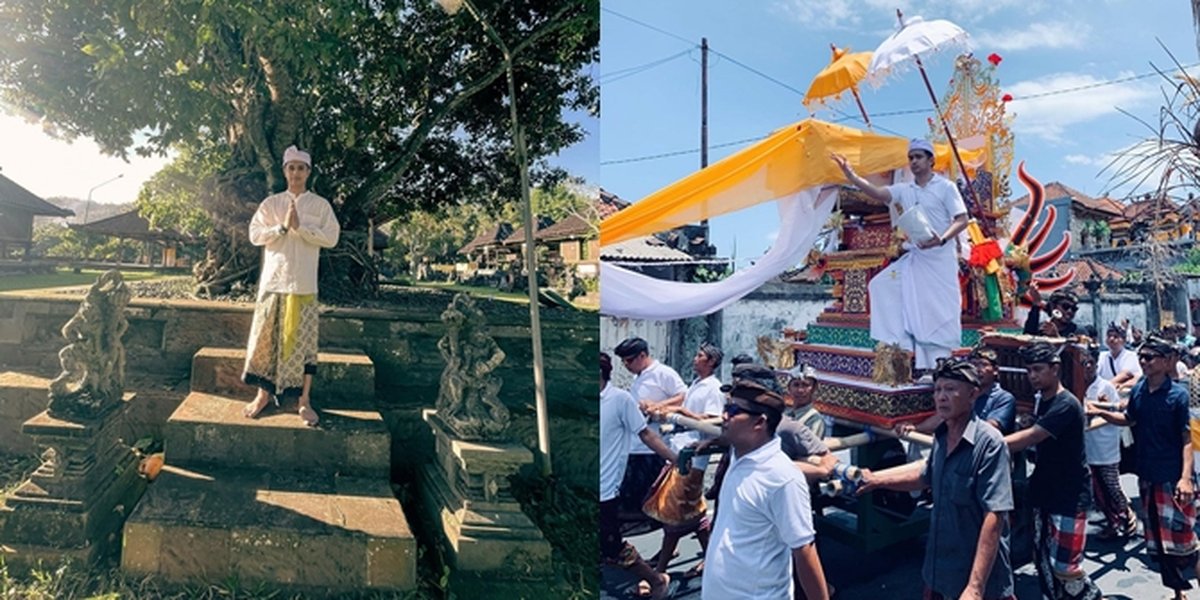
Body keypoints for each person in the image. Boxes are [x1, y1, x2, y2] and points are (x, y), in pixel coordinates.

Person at [859, 358, 1015, 600]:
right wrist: (877, 481)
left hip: (977, 576)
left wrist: (975, 586)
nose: (941, 397)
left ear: (973, 394)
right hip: (939, 569)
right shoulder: (942, 436)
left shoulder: (990, 444)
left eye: (951, 389)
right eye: (938, 390)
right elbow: (926, 476)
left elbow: (994, 516)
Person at [831, 139, 969, 372]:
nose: (914, 162)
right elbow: (877, 193)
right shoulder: (905, 189)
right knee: (880, 286)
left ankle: (936, 367)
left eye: (919, 157)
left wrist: (942, 239)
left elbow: (962, 219)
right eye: (911, 158)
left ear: (931, 160)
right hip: (916, 258)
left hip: (941, 260)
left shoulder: (946, 187)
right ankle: (900, 345)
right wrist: (852, 176)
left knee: (936, 311)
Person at [702, 367, 829, 600]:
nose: (723, 416)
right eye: (725, 408)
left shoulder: (782, 477)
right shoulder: (739, 454)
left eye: (732, 410)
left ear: (759, 423)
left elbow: (805, 552)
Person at [1089, 335, 1200, 600]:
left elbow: (1186, 440)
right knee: (1162, 545)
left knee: (1186, 543)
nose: (1144, 362)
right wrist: (1101, 412)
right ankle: (1178, 595)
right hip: (1148, 477)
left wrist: (1185, 479)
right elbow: (1128, 419)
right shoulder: (1139, 391)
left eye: (1149, 357)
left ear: (1165, 361)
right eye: (1141, 356)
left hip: (1173, 478)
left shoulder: (1178, 396)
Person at [241, 145, 340, 427]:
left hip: (304, 285)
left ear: (308, 172)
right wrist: (282, 228)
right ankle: (263, 394)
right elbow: (255, 235)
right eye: (291, 168)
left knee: (305, 345)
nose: (295, 173)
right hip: (274, 283)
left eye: (301, 168)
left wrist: (301, 229)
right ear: (284, 171)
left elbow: (331, 238)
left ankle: (303, 400)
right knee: (266, 341)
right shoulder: (271, 204)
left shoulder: (320, 206)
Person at [1003, 342, 1102, 600]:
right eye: (1029, 370)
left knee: (1066, 568)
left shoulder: (1066, 404)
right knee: (1044, 562)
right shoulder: (1043, 401)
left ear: (1055, 368)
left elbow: (1034, 436)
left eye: (1038, 369)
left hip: (1069, 495)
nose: (1032, 376)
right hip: (1045, 491)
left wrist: (986, 444)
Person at [599, 353, 678, 600]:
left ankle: (656, 580)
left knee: (612, 544)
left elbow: (645, 434)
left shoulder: (619, 400)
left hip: (606, 487)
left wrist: (674, 458)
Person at [650, 342, 725, 578]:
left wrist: (684, 414)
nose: (695, 358)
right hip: (680, 451)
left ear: (711, 362)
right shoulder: (696, 384)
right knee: (692, 512)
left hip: (695, 457)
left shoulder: (714, 388)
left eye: (700, 355)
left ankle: (660, 571)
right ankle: (712, 559)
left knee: (676, 513)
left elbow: (712, 422)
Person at [614, 337, 687, 517]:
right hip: (635, 444)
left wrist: (658, 405)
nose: (626, 365)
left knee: (649, 502)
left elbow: (683, 395)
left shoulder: (663, 373)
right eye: (623, 361)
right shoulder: (639, 377)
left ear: (643, 355)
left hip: (654, 446)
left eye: (629, 360)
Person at [1079, 345, 1138, 540]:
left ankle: (1127, 512)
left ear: (1096, 365)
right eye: (1083, 363)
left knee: (1111, 485)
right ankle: (1113, 523)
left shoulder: (1106, 387)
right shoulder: (1076, 385)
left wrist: (1095, 416)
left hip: (1105, 444)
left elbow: (1117, 414)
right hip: (1087, 446)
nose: (1086, 367)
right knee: (1097, 490)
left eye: (1090, 363)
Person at [898, 345, 1016, 436]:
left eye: (983, 364)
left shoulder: (1004, 398)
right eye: (974, 364)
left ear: (995, 370)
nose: (978, 369)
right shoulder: (964, 392)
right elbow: (941, 418)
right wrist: (916, 428)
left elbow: (989, 431)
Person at [784, 363, 826, 438]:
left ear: (813, 389)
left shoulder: (814, 419)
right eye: (796, 385)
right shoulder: (785, 415)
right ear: (789, 388)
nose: (800, 390)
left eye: (805, 385)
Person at [1098, 321, 1141, 393]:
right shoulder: (1101, 356)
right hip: (1104, 393)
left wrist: (1107, 386)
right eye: (1109, 336)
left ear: (1124, 340)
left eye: (1116, 336)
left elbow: (1126, 374)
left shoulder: (1131, 356)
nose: (1111, 339)